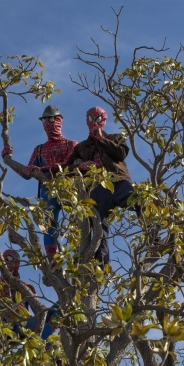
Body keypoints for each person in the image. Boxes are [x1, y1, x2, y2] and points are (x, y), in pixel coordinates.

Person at [2, 106, 77, 262]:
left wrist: (42, 169)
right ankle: (53, 263)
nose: (48, 124)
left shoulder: (71, 144)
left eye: (51, 119)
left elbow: (68, 165)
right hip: (46, 191)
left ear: (59, 120)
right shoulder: (39, 149)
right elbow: (27, 173)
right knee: (49, 228)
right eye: (45, 120)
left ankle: (83, 258)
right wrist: (8, 160)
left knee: (79, 220)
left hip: (68, 188)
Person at [65, 106, 137, 265]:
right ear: (86, 120)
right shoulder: (81, 147)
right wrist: (81, 166)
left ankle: (153, 235)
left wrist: (102, 140)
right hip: (96, 187)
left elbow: (121, 154)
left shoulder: (115, 138)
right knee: (99, 226)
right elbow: (66, 169)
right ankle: (100, 264)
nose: (94, 122)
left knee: (138, 199)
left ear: (104, 120)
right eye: (91, 118)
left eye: (98, 118)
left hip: (117, 180)